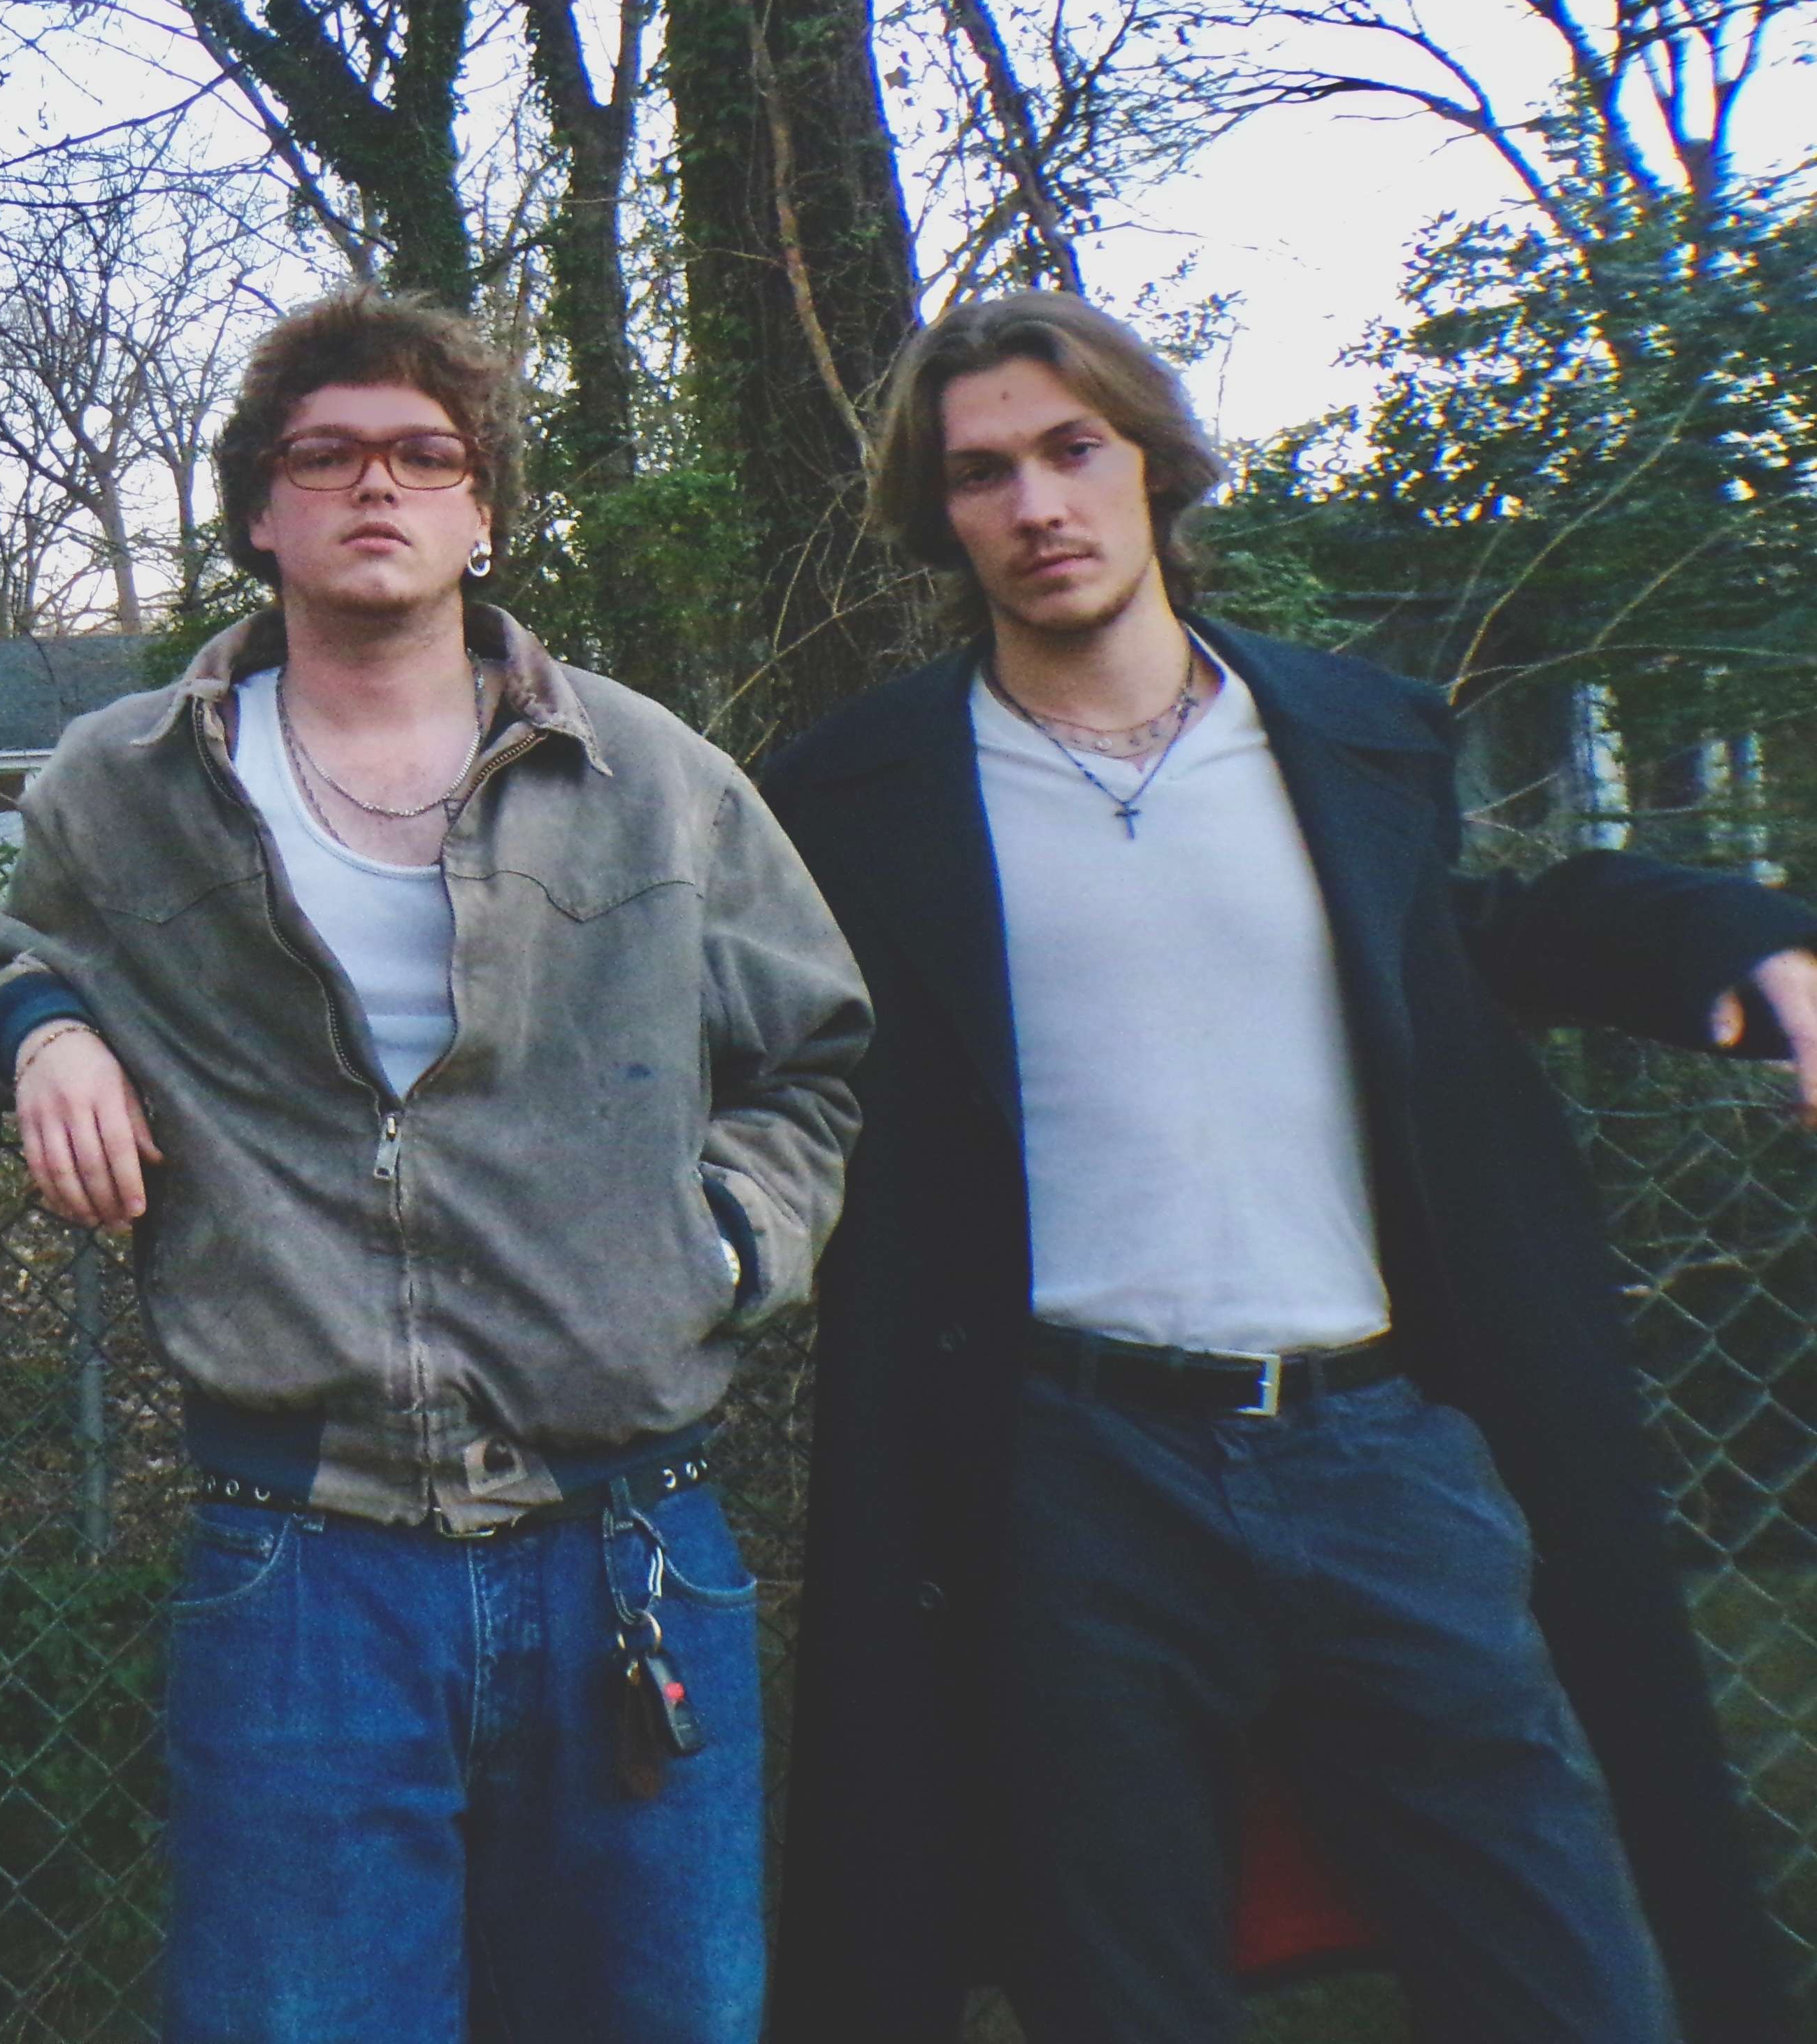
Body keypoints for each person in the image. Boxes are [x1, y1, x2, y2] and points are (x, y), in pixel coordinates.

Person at [760, 291, 1817, 2044]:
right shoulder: (861, 799)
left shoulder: (1349, 736)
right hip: (1069, 1480)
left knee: (1571, 1974)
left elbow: (1492, 934)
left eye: (1072, 451)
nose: (1036, 505)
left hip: (1382, 1452)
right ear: (938, 518)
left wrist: (1753, 944)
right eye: (982, 474)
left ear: (1155, 465)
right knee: (1129, 1997)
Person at [0, 288, 869, 2044]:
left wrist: (727, 1253)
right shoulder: (122, 784)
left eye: (422, 456)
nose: (375, 486)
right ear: (257, 509)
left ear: (483, 512)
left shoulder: (652, 779)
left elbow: (818, 1053)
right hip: (303, 1563)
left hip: (634, 1546)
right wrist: (43, 1033)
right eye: (327, 457)